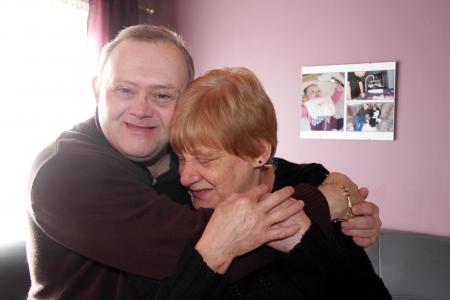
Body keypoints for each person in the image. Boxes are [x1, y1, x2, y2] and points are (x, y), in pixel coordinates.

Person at [27, 24, 382, 299]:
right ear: (96, 89)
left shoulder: (300, 180)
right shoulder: (66, 173)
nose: (141, 108)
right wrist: (326, 203)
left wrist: (340, 198)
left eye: (163, 94)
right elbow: (210, 241)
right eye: (124, 89)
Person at [159, 67, 390, 299]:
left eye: (205, 159)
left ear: (259, 152)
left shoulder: (312, 181)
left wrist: (305, 245)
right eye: (181, 158)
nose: (185, 177)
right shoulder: (168, 203)